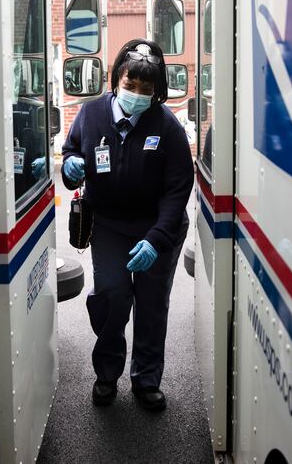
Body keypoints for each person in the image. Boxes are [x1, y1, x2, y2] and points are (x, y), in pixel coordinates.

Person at [61, 39, 194, 411]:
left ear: (157, 91)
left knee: (152, 304)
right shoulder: (90, 114)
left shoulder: (166, 126)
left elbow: (178, 187)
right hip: (109, 224)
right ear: (117, 79)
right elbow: (72, 150)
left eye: (146, 90)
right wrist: (69, 166)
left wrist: (157, 239)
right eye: (130, 85)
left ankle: (146, 379)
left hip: (157, 228)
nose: (136, 94)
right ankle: (106, 374)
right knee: (113, 296)